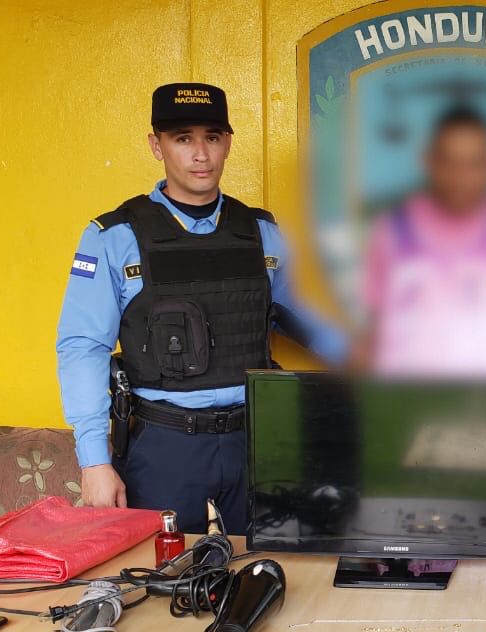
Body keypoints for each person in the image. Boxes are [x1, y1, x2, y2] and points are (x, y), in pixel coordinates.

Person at [56, 83, 344, 533]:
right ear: (157, 146)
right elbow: (83, 347)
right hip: (165, 447)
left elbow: (308, 320)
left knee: (270, 566)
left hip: (255, 441)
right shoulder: (114, 237)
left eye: (212, 137)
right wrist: (94, 461)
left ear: (227, 142)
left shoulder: (262, 233)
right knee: (158, 571)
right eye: (182, 138)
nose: (200, 154)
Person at [356, 106, 486, 380]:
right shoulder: (392, 229)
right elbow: (376, 333)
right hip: (409, 392)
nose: (460, 177)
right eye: (448, 162)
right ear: (429, 162)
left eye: (474, 164)